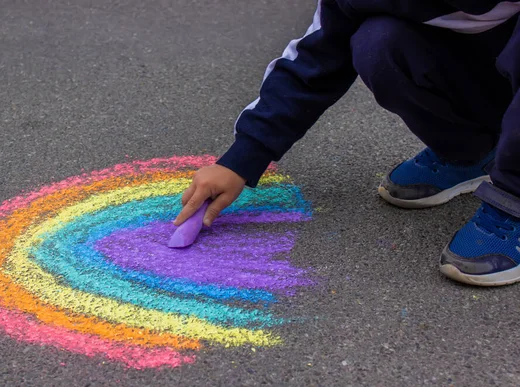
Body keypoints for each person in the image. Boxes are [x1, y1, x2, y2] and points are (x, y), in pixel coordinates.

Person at [174, 1, 520, 287]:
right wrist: (242, 158)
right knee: (379, 43)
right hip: (486, 73)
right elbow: (314, 62)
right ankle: (470, 151)